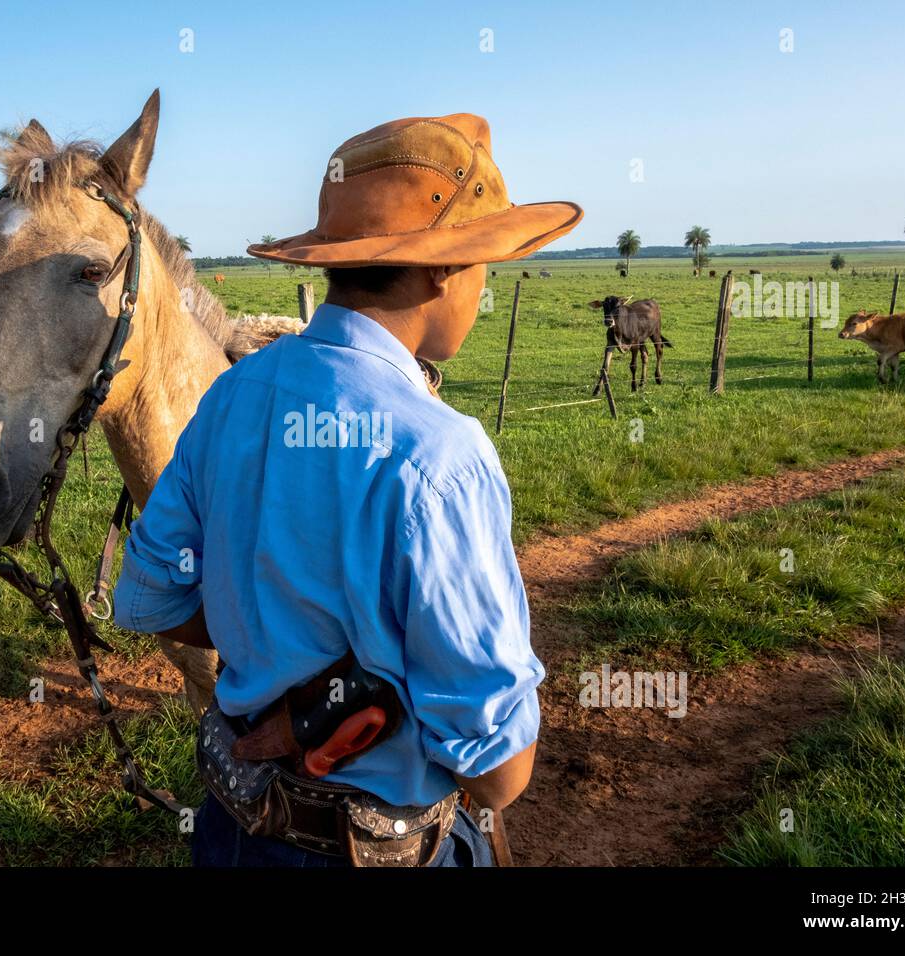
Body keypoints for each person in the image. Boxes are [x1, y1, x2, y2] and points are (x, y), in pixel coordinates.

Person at [114, 112, 583, 867]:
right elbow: (499, 773)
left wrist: (267, 646)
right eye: (484, 260)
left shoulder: (234, 397)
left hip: (234, 830)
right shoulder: (440, 454)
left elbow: (148, 599)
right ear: (444, 268)